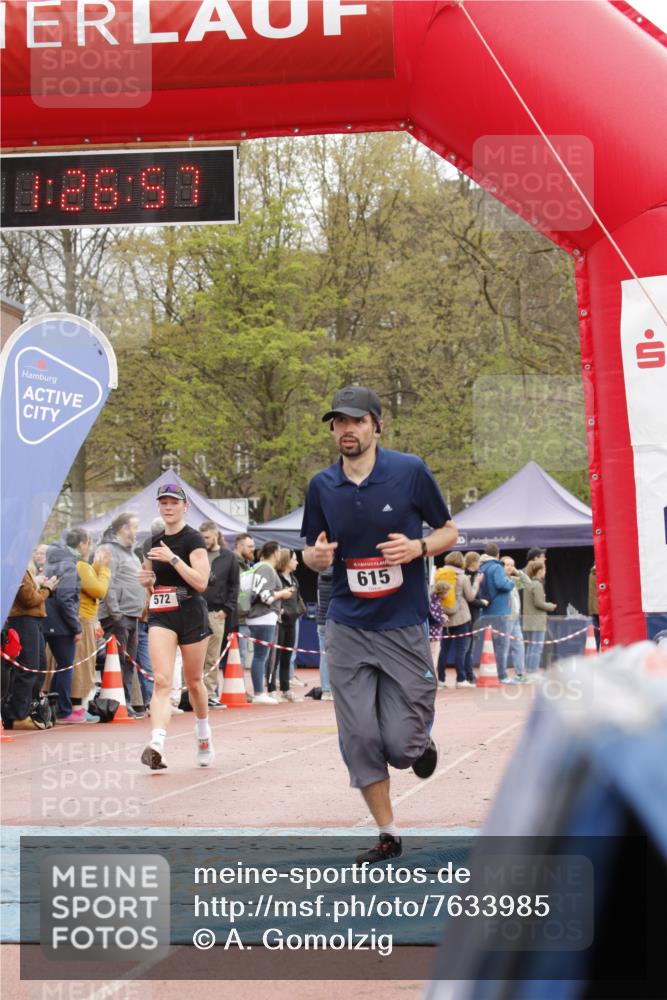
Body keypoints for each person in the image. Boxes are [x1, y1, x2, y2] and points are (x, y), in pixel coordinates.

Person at [302, 384, 457, 865]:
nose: (346, 430)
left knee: (400, 745)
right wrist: (316, 557)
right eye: (339, 422)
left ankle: (419, 742)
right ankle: (388, 832)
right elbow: (309, 551)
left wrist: (419, 548)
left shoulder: (409, 472)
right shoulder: (321, 486)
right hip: (347, 625)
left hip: (402, 624)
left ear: (376, 425)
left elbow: (450, 531)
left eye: (356, 421)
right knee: (359, 737)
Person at [138, 483, 214, 770]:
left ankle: (203, 734)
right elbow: (148, 579)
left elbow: (201, 582)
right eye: (163, 503)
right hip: (162, 613)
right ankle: (156, 743)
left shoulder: (193, 539)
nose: (168, 507)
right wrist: (146, 582)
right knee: (161, 680)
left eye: (174, 503)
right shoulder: (151, 542)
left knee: (194, 682)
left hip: (191, 611)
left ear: (185, 507)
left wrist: (173, 558)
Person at [99, 512, 146, 718]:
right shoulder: (110, 550)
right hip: (119, 615)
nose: (136, 532)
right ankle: (116, 704)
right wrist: (115, 612)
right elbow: (108, 582)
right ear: (123, 529)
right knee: (117, 660)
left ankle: (123, 702)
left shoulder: (132, 554)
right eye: (134, 527)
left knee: (128, 661)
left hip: (132, 615)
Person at [1, 568, 56, 728]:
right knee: (29, 668)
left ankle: (28, 710)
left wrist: (37, 583)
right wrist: (47, 589)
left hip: (31, 620)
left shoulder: (21, 567)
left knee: (38, 667)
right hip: (24, 620)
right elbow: (29, 599)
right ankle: (18, 715)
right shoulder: (15, 567)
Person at [245, 540, 294, 705]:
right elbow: (266, 597)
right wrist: (283, 594)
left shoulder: (257, 567)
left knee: (261, 656)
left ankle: (260, 691)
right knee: (261, 656)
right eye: (279, 551)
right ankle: (259, 692)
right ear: (275, 553)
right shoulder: (266, 569)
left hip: (257, 616)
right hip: (264, 616)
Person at [42, 530, 84, 722]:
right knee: (65, 666)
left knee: (59, 667)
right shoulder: (69, 566)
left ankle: (53, 708)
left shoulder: (50, 563)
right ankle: (64, 711)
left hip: (46, 620)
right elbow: (65, 599)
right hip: (62, 624)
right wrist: (75, 626)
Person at [200, 521, 239, 707]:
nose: (203, 541)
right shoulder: (196, 554)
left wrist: (227, 609)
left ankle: (209, 694)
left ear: (215, 535)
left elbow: (234, 585)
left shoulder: (228, 557)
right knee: (192, 656)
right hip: (195, 611)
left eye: (206, 537)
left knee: (211, 656)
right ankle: (189, 693)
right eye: (201, 538)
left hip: (216, 612)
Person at [73, 538, 112, 716]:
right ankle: (77, 708)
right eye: (90, 543)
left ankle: (77, 707)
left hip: (84, 617)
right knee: (83, 664)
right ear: (82, 544)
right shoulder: (80, 565)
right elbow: (98, 590)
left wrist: (97, 564)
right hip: (83, 618)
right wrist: (103, 569)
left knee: (84, 664)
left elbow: (91, 581)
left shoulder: (83, 565)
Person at [474, 543, 516, 684]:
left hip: (486, 610)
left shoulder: (482, 566)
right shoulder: (497, 567)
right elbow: (501, 584)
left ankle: (491, 672)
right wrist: (511, 583)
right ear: (498, 554)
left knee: (488, 645)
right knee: (501, 645)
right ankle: (502, 675)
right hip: (499, 611)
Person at [438, 551, 481, 688]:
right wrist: (476, 584)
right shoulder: (462, 578)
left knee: (443, 650)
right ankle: (461, 679)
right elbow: (470, 597)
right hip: (461, 618)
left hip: (444, 619)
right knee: (461, 650)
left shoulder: (439, 575)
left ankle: (441, 679)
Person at [268, 549, 305, 702]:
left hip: (292, 621)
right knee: (274, 657)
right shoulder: (276, 578)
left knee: (287, 657)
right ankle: (271, 689)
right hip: (279, 622)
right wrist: (280, 610)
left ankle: (285, 689)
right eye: (294, 559)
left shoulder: (294, 580)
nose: (297, 562)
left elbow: (297, 599)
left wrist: (299, 611)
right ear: (286, 561)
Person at [523, 559, 557, 677]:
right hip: (537, 622)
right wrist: (550, 606)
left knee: (531, 647)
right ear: (540, 571)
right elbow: (539, 603)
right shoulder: (537, 585)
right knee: (536, 648)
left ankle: (529, 670)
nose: (545, 571)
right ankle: (533, 672)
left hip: (528, 621)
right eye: (544, 569)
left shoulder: (529, 584)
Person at [501, 555, 528, 682]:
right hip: (506, 617)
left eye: (512, 564)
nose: (510, 567)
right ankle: (502, 674)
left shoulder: (513, 579)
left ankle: (519, 674)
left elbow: (528, 583)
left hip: (516, 617)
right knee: (504, 646)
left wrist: (517, 571)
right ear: (501, 566)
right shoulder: (500, 580)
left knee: (519, 646)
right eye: (507, 565)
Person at [463, 551, 487, 677]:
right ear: (473, 563)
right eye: (478, 562)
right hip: (470, 617)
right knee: (467, 648)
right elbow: (470, 598)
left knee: (469, 648)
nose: (480, 565)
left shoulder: (470, 575)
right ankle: (467, 675)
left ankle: (468, 674)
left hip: (472, 616)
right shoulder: (469, 576)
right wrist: (482, 602)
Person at [233, 533, 256, 670]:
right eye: (250, 546)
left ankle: (238, 689)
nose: (253, 549)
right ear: (239, 546)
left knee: (242, 655)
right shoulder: (233, 563)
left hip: (245, 616)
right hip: (237, 617)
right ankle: (236, 690)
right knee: (238, 655)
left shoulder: (246, 564)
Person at [316, 566, 334, 700]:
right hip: (334, 620)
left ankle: (326, 690)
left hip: (321, 619)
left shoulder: (321, 575)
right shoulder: (338, 575)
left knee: (324, 656)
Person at [428, 580, 448, 674]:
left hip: (431, 633)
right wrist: (444, 619)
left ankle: (429, 677)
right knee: (433, 655)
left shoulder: (432, 599)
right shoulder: (435, 602)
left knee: (431, 655)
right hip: (434, 634)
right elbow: (436, 619)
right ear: (443, 592)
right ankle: (430, 677)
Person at [588, 564, 600, 649]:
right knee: (599, 634)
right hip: (600, 608)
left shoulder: (591, 573)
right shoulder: (598, 574)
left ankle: (596, 650)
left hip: (593, 608)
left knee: (596, 633)